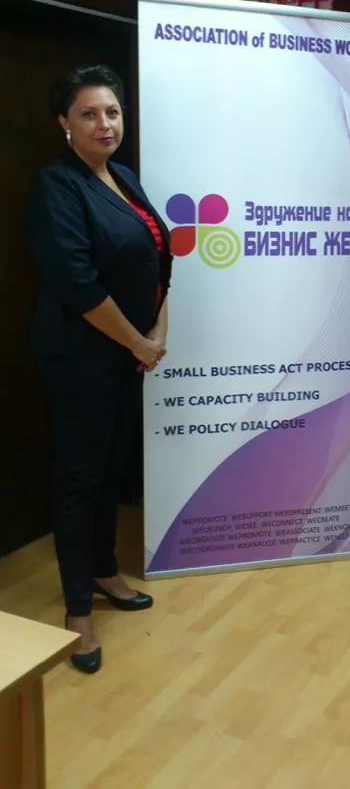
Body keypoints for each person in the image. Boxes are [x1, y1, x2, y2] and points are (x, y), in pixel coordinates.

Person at [27, 65, 172, 673]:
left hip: (126, 354)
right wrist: (140, 341)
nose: (104, 124)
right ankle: (78, 611)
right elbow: (78, 283)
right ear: (64, 122)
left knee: (112, 469)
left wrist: (156, 333)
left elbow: (160, 258)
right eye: (88, 114)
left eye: (111, 112)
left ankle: (105, 570)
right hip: (80, 357)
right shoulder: (56, 186)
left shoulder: (124, 177)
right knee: (80, 479)